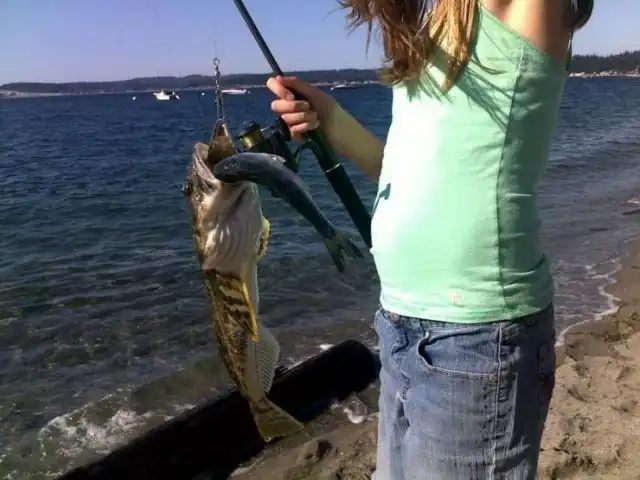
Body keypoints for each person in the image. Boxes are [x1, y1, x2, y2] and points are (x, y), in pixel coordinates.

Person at [267, 1, 592, 478]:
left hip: (477, 339)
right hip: (400, 325)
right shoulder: (435, 28)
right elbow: (400, 172)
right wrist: (328, 115)